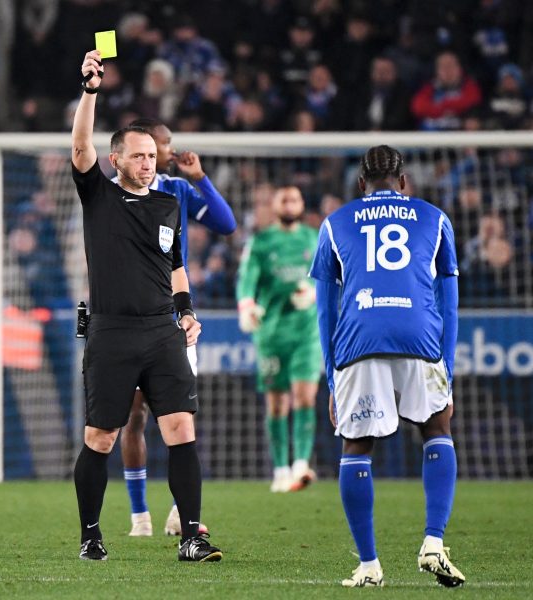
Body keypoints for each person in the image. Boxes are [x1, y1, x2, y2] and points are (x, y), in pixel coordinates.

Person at [71, 49, 221, 563]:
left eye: (152, 156)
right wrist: (91, 91)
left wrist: (186, 311)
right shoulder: (98, 195)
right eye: (138, 156)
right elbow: (80, 145)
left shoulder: (169, 204)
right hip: (111, 332)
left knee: (181, 430)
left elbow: (175, 264)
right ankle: (91, 534)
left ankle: (191, 537)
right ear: (116, 160)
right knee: (101, 437)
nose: (148, 163)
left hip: (162, 332)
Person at [309, 145, 464, 587]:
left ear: (360, 183)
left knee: (357, 447)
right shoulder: (435, 218)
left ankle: (369, 565)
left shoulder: (335, 223)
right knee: (437, 429)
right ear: (404, 182)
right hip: (420, 335)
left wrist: (332, 377)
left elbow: (326, 310)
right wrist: (447, 368)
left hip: (360, 338)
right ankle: (433, 542)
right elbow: (450, 303)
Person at [116, 117, 237, 537]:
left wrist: (200, 178)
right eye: (163, 144)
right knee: (132, 417)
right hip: (128, 320)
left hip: (174, 319)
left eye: (163, 147)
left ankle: (178, 510)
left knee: (180, 417)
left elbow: (226, 224)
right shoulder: (113, 194)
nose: (168, 151)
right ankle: (139, 515)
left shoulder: (178, 190)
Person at [236, 186, 321, 493]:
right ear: (274, 205)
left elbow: (327, 276)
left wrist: (313, 292)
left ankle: (301, 464)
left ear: (302, 204)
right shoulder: (261, 242)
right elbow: (247, 280)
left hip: (307, 332)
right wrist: (246, 307)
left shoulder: (313, 238)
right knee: (276, 404)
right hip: (271, 334)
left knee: (305, 396)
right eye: (284, 200)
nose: (289, 205)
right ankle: (281, 469)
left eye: (294, 199)